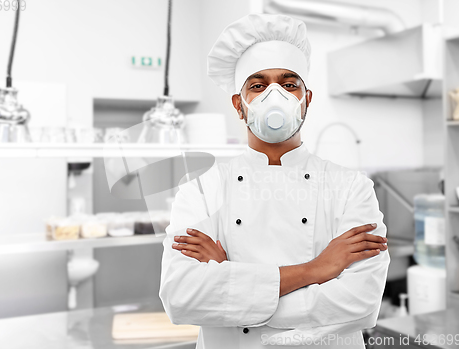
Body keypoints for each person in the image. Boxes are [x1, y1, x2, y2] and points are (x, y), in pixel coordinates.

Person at [159, 13, 390, 349]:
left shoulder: (351, 188)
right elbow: (180, 297)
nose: (275, 95)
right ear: (239, 105)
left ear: (305, 99)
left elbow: (361, 304)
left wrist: (232, 281)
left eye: (289, 83)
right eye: (258, 85)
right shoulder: (201, 189)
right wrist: (316, 270)